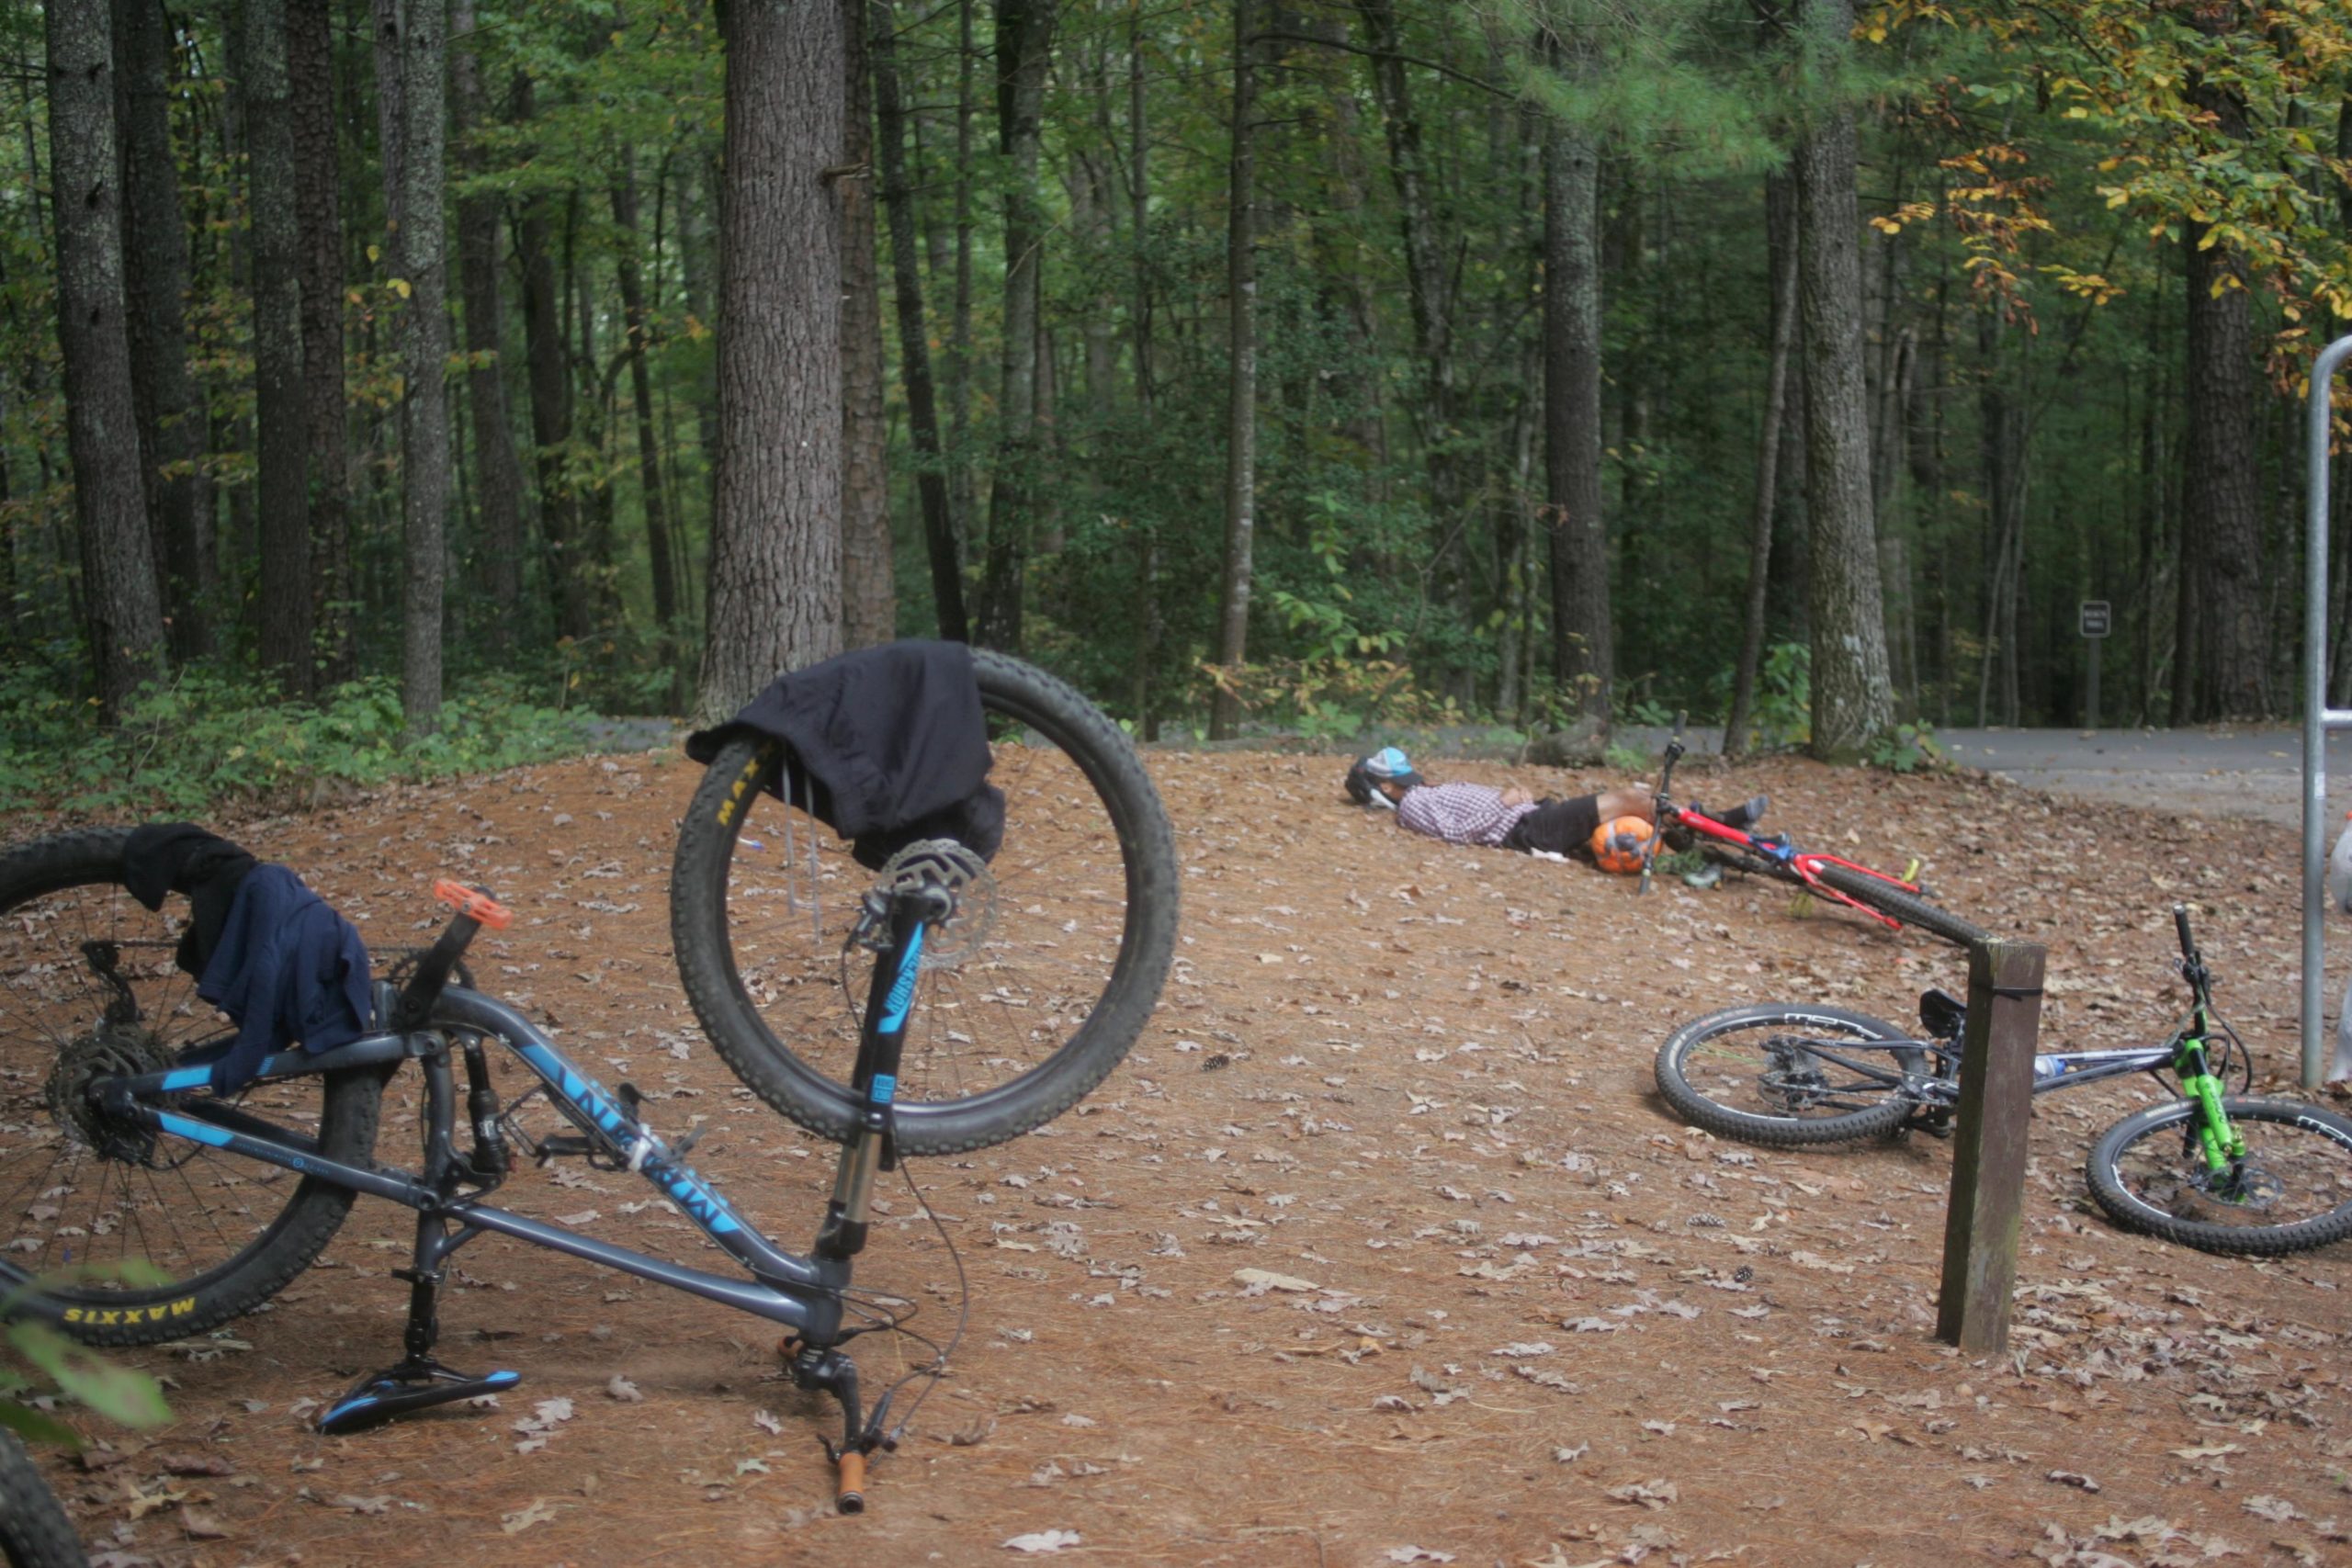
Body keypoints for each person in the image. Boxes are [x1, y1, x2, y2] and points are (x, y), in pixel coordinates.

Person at [1341, 746, 1766, 863]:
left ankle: (1709, 843)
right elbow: (1459, 834)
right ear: (1382, 787)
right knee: (1631, 799)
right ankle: (1720, 824)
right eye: (1390, 776)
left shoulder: (1426, 791)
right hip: (1528, 831)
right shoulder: (1412, 808)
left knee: (1637, 807)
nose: (1405, 777)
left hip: (1532, 816)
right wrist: (1505, 803)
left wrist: (1513, 796)